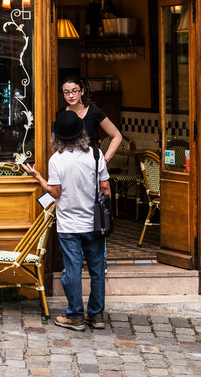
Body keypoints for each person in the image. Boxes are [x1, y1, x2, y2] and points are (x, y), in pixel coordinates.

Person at [23, 111, 111, 331]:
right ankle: (96, 315)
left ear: (58, 137)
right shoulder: (96, 155)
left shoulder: (57, 159)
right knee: (97, 270)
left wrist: (38, 177)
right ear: (82, 132)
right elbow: (105, 188)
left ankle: (75, 316)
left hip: (69, 225)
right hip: (94, 223)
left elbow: (55, 192)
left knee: (72, 271)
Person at [59, 76, 122, 271]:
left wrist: (105, 159)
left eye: (75, 91)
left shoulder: (94, 112)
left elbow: (117, 136)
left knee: (97, 211)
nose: (71, 95)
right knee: (72, 210)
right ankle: (73, 262)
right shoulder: (61, 114)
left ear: (82, 91)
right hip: (69, 169)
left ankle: (100, 259)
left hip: (92, 167)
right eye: (67, 92)